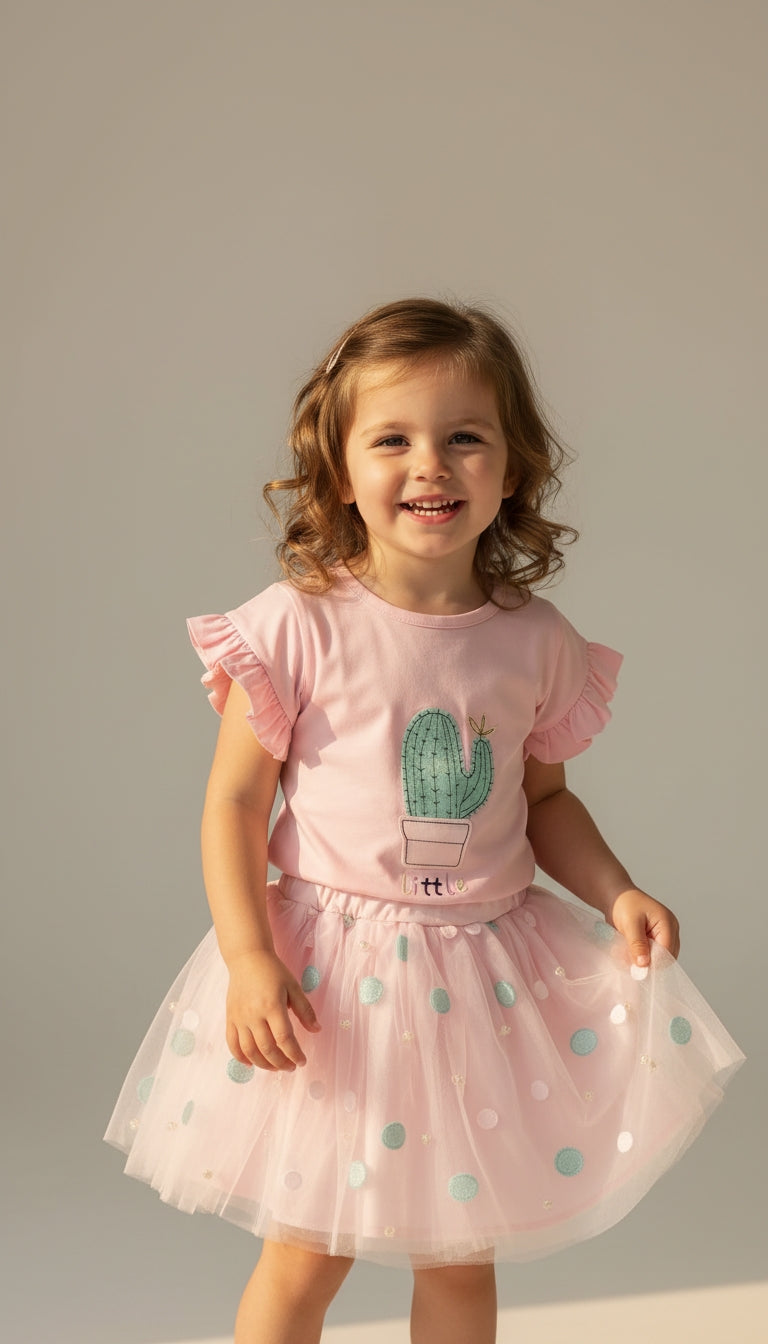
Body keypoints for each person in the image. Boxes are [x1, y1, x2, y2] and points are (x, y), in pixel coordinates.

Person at [105, 297, 744, 1344]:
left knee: (458, 1255)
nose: (430, 466)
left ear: (513, 467)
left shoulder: (536, 641)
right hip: (330, 985)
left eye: (465, 438)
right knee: (307, 1254)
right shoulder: (297, 625)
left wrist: (615, 889)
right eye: (392, 439)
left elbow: (545, 802)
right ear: (339, 469)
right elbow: (234, 803)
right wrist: (249, 954)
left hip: (477, 986)